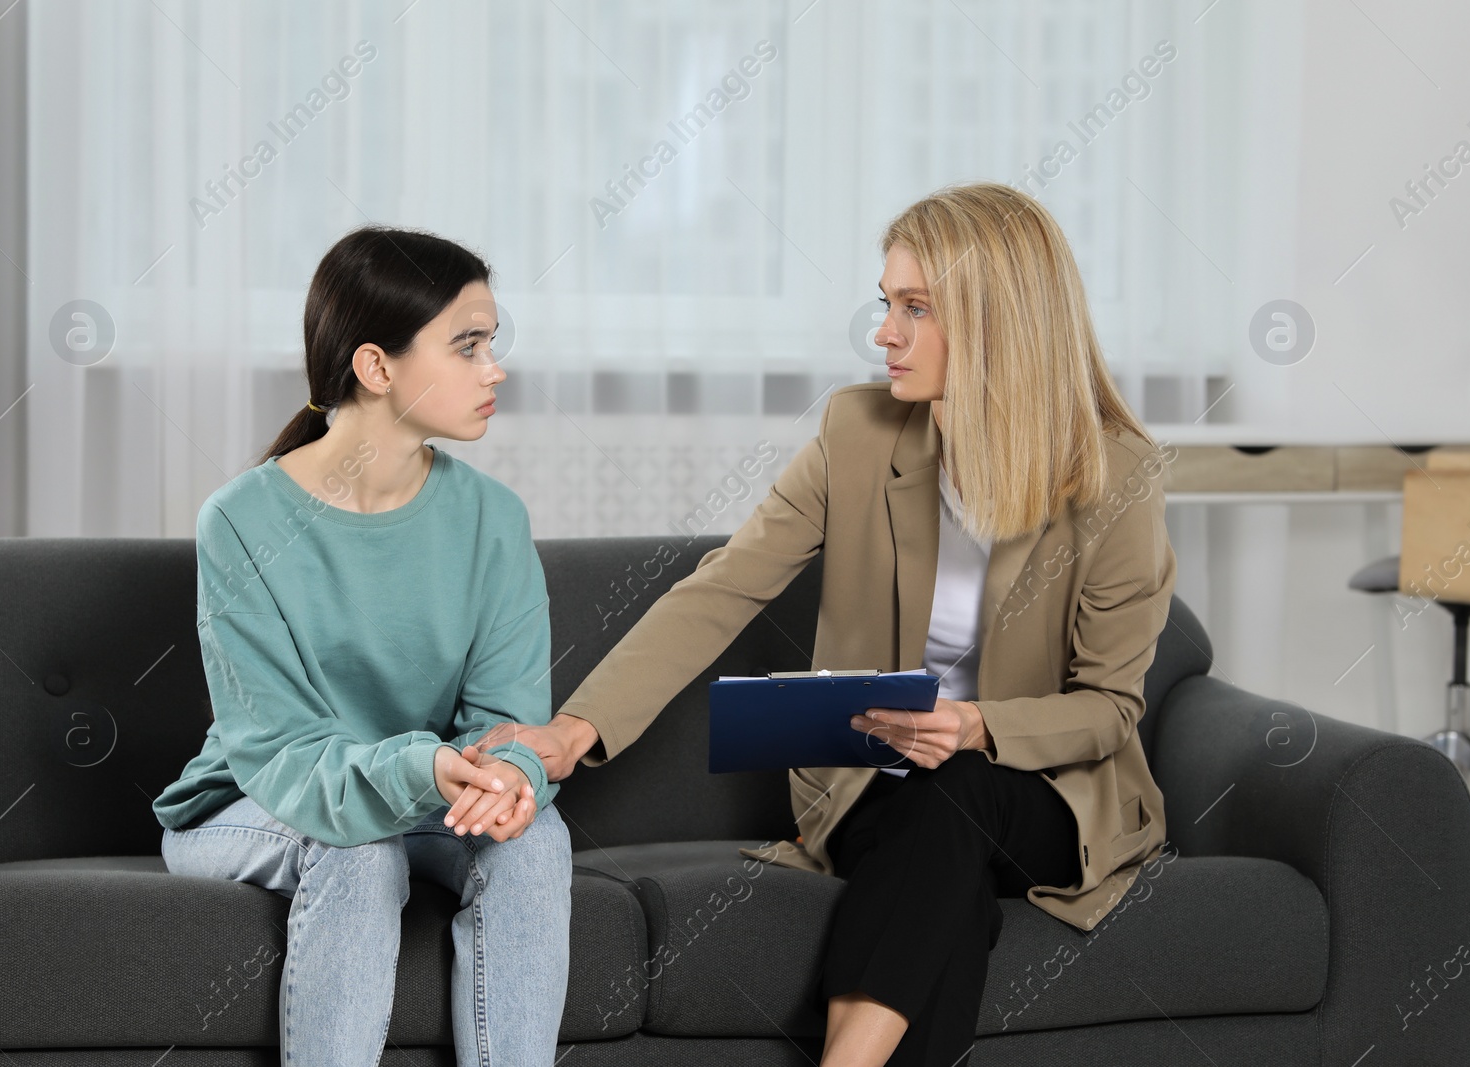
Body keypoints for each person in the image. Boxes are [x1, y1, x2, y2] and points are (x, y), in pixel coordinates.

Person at [477, 182, 1176, 1065]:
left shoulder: (1116, 475)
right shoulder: (859, 430)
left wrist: (975, 724)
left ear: (1001, 320)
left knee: (955, 792)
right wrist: (574, 731)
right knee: (941, 874)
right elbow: (724, 588)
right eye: (887, 303)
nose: (884, 331)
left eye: (915, 308)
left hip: (1043, 790)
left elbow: (1110, 707)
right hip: (876, 787)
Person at [152, 226, 572, 1067]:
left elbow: (509, 720)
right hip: (252, 802)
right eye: (468, 345)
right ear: (377, 367)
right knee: (358, 848)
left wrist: (515, 775)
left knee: (535, 842)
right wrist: (421, 766)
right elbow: (278, 751)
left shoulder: (493, 519)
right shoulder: (240, 521)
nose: (495, 369)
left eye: (492, 342)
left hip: (429, 796)